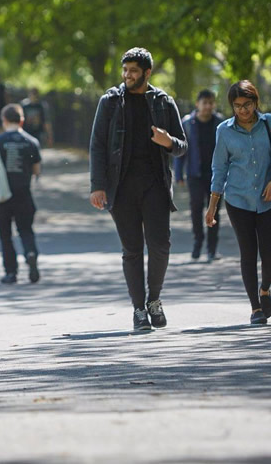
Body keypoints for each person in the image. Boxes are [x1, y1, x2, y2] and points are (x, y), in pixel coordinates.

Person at [88, 47, 187, 331]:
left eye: (133, 71)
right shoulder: (110, 101)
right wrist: (97, 186)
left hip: (155, 186)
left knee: (160, 246)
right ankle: (138, 309)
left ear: (147, 72)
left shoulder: (163, 102)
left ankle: (154, 300)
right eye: (125, 70)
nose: (127, 75)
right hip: (120, 188)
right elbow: (97, 145)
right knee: (131, 249)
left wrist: (168, 141)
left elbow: (182, 146)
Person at [206, 80, 271, 326]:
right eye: (237, 106)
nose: (243, 110)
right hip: (237, 200)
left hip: (268, 199)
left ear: (255, 102)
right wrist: (212, 205)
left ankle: (265, 289)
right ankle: (255, 308)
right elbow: (219, 168)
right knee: (248, 253)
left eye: (247, 104)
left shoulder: (269, 123)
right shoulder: (224, 130)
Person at [0, 104, 42, 284]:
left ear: (4, 120)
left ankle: (11, 272)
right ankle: (30, 253)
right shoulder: (32, 142)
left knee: (5, 234)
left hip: (3, 195)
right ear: (22, 120)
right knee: (26, 229)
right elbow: (36, 170)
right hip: (24, 193)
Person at [174, 89, 225, 262]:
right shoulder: (187, 123)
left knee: (214, 211)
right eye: (205, 103)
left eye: (211, 103)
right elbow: (181, 149)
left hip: (216, 175)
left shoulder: (220, 123)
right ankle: (198, 241)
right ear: (198, 104)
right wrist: (178, 174)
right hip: (195, 174)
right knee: (196, 208)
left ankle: (212, 248)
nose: (208, 106)